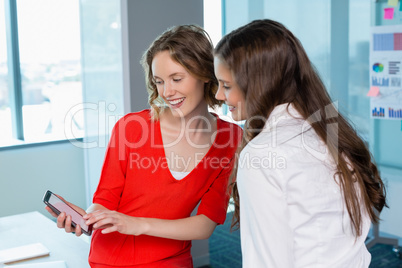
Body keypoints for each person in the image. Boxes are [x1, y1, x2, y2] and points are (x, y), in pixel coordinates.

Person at [46, 24, 241, 267]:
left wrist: (138, 224)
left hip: (173, 260)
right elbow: (106, 197)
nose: (167, 92)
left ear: (204, 74)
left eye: (177, 79)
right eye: (159, 81)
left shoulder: (230, 139)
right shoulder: (131, 128)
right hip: (111, 259)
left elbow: (205, 224)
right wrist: (89, 218)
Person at [213, 19, 387, 267]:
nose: (219, 95)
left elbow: (267, 261)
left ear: (260, 84)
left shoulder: (262, 154)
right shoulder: (334, 135)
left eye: (226, 85)